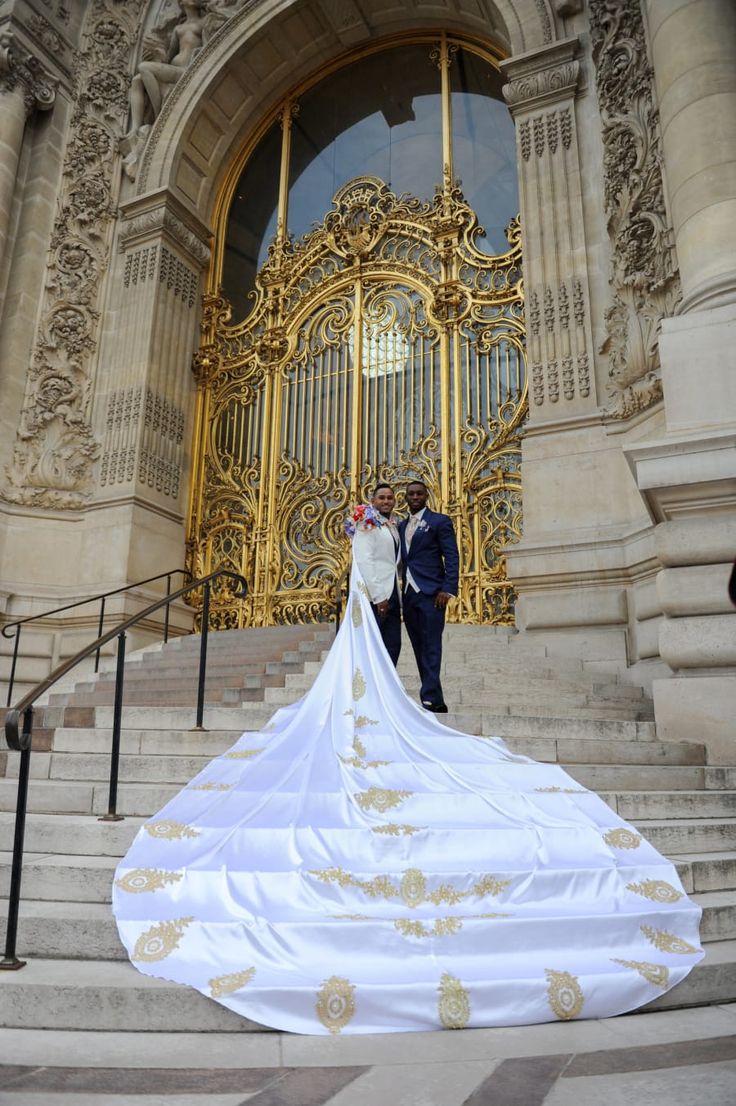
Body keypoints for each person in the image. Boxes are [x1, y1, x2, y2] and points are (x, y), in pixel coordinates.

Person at [112, 517, 703, 1036]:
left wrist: (439, 586)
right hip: (376, 600)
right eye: (387, 498)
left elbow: (420, 557)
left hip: (413, 595)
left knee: (416, 660)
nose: (394, 500)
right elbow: (371, 560)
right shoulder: (373, 531)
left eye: (398, 496)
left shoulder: (419, 525)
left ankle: (424, 697)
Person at [399, 480, 459, 713]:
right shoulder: (402, 526)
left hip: (433, 593)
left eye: (419, 494)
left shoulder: (439, 521)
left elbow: (451, 556)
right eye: (411, 494)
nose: (415, 497)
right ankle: (435, 697)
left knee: (432, 645)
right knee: (418, 646)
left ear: (426, 496)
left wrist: (448, 588)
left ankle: (429, 696)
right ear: (406, 498)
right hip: (409, 595)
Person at [350, 483, 402, 665]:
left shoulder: (392, 525)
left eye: (390, 498)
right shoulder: (367, 523)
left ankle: (388, 689)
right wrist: (379, 596)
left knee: (393, 645)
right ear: (373, 501)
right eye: (382, 498)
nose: (386, 501)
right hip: (377, 596)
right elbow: (365, 560)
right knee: (376, 646)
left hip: (393, 592)